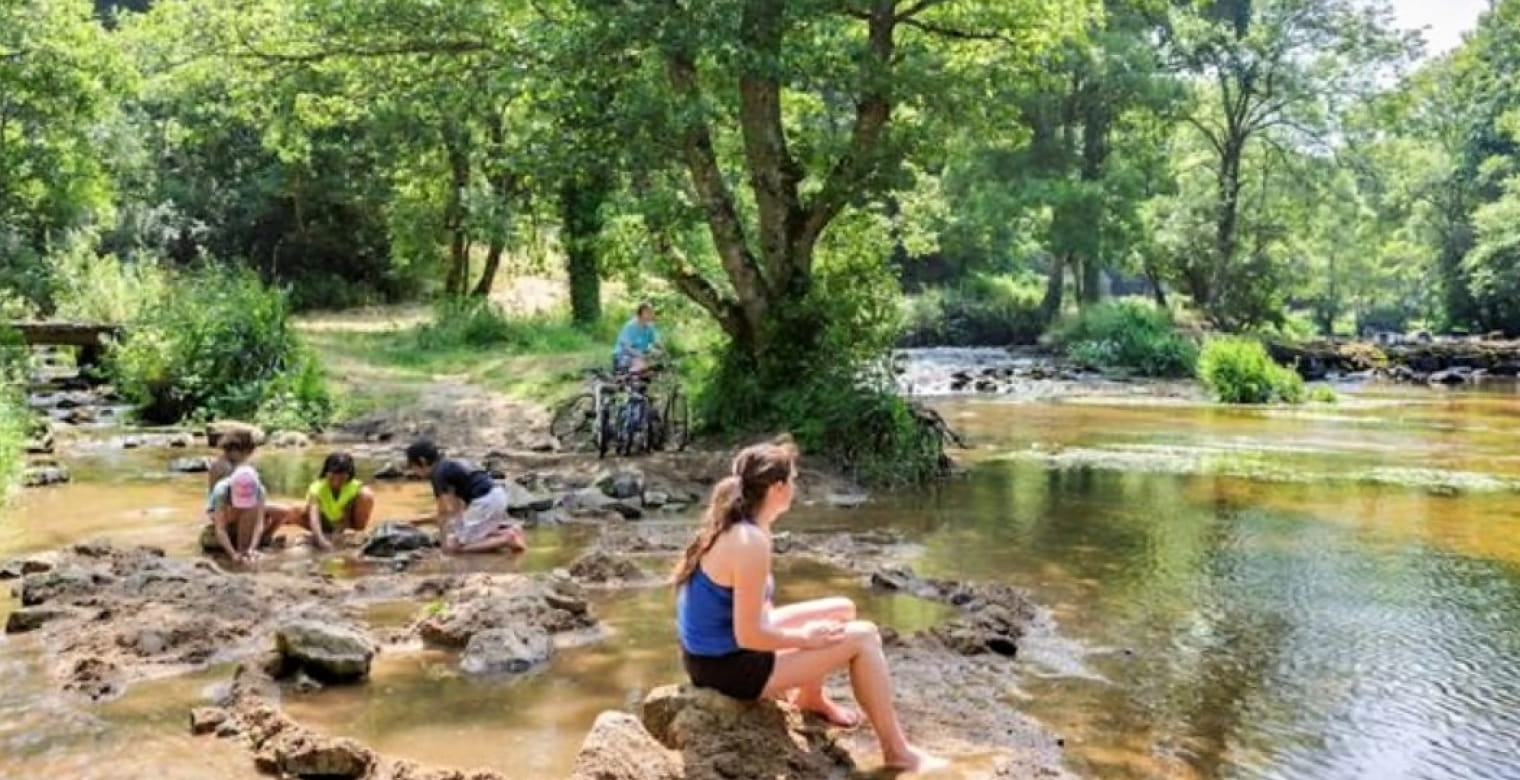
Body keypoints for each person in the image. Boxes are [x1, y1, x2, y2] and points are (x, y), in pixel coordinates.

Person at [672, 439, 945, 772]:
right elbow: (748, 635)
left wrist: (803, 635)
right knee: (863, 637)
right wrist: (805, 638)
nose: (796, 487)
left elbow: (751, 614)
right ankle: (898, 752)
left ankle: (810, 698)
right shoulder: (749, 541)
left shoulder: (747, 524)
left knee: (842, 609)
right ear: (777, 487)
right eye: (794, 480)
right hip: (725, 667)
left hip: (715, 650)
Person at [404, 439, 526, 554]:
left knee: (455, 548)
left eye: (413, 467)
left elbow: (444, 512)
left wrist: (443, 543)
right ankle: (508, 530)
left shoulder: (437, 474)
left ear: (422, 461)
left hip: (484, 501)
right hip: (496, 495)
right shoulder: (448, 465)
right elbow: (458, 506)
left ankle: (506, 539)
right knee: (464, 536)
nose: (414, 473)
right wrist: (459, 529)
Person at [304, 452, 375, 551]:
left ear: (349, 475)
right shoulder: (317, 487)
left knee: (366, 494)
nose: (337, 479)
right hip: (324, 521)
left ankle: (356, 532)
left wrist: (339, 535)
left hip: (343, 523)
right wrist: (321, 540)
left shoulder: (354, 487)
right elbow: (314, 517)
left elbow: (346, 513)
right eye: (333, 474)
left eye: (341, 476)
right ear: (326, 472)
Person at [209, 464, 269, 564]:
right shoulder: (221, 490)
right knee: (248, 512)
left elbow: (259, 523)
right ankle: (241, 551)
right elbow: (220, 528)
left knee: (282, 512)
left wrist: (252, 548)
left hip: (244, 512)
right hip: (222, 512)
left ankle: (246, 550)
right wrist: (232, 553)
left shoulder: (260, 490)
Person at [613, 302, 662, 374]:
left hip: (639, 355)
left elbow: (656, 342)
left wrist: (659, 351)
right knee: (640, 365)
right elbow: (627, 348)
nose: (651, 315)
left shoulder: (649, 327)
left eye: (651, 312)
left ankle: (637, 373)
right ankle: (624, 375)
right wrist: (641, 356)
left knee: (652, 365)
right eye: (648, 312)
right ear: (640, 314)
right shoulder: (630, 326)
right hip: (624, 354)